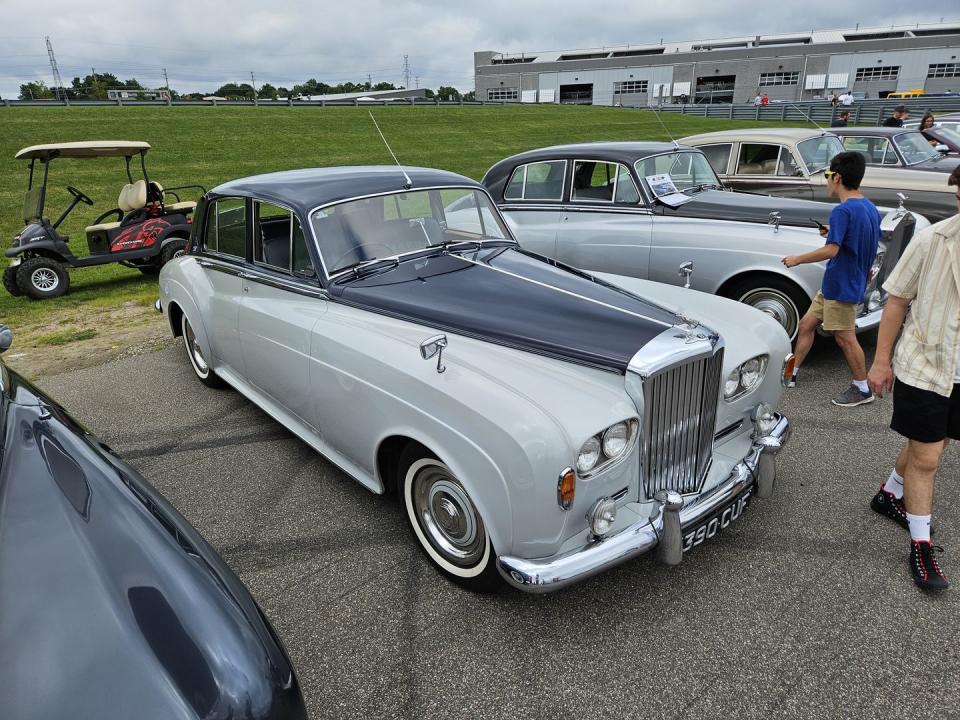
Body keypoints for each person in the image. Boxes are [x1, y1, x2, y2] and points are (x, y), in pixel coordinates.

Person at [866, 165, 960, 592]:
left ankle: (889, 493)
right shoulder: (933, 240)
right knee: (928, 458)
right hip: (925, 365)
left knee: (932, 441)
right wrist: (880, 361)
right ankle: (920, 546)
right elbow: (896, 300)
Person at [782, 151, 881, 406]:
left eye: (827, 175)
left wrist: (797, 259)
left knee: (844, 337)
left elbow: (832, 250)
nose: (826, 180)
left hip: (841, 284)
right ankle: (791, 373)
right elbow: (866, 242)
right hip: (838, 283)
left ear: (837, 177)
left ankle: (862, 388)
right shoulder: (868, 207)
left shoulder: (842, 210)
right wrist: (833, 231)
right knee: (805, 325)